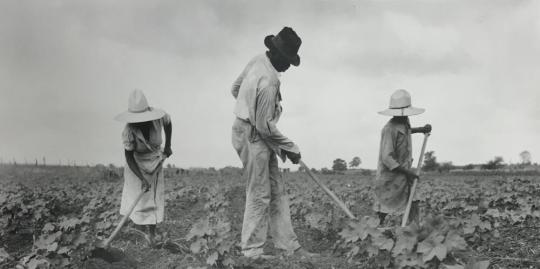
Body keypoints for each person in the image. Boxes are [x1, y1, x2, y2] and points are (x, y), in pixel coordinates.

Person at [230, 27, 316, 259]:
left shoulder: (258, 60)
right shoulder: (269, 82)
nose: (288, 66)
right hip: (252, 135)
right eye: (287, 60)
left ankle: (288, 246)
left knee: (277, 189)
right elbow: (264, 126)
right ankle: (252, 251)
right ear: (275, 53)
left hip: (249, 129)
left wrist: (249, 106)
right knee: (259, 193)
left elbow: (235, 89)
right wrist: (291, 148)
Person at [114, 89, 172, 245]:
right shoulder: (128, 131)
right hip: (136, 163)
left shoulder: (159, 118)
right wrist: (141, 178)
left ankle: (152, 235)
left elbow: (168, 123)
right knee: (136, 199)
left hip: (155, 159)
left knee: (152, 198)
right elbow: (129, 157)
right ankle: (129, 230)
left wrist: (168, 146)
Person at [373, 89, 431, 225]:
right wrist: (408, 172)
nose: (405, 116)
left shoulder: (404, 122)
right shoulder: (388, 129)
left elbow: (406, 132)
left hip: (403, 173)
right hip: (390, 177)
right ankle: (378, 232)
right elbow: (387, 158)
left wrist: (421, 129)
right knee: (385, 208)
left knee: (413, 200)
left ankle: (413, 229)